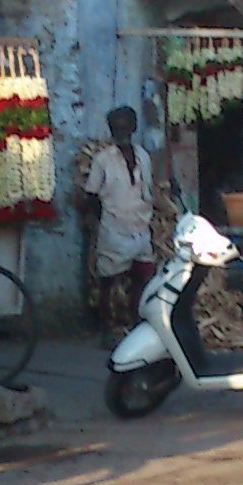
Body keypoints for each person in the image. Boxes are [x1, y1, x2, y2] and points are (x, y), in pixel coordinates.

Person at [80, 107, 158, 339]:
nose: (121, 132)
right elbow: (92, 195)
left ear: (133, 128)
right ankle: (107, 329)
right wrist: (99, 221)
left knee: (142, 277)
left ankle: (135, 323)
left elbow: (148, 188)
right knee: (108, 281)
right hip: (114, 227)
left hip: (141, 226)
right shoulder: (102, 160)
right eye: (116, 128)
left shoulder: (143, 156)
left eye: (125, 127)